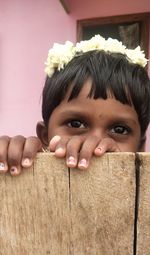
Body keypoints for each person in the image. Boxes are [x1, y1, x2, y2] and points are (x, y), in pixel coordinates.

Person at [0, 35, 150, 175]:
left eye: (119, 129)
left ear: (140, 146)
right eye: (76, 124)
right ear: (45, 137)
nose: (95, 142)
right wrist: (12, 158)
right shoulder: (26, 172)